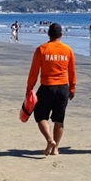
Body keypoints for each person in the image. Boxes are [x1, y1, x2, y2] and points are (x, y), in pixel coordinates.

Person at [26, 22, 76, 155]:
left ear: (48, 34)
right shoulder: (68, 50)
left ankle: (49, 139)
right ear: (61, 35)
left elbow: (34, 72)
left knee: (40, 115)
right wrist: (72, 88)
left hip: (47, 87)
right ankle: (56, 148)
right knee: (59, 119)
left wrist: (29, 89)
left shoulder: (42, 49)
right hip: (63, 88)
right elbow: (72, 71)